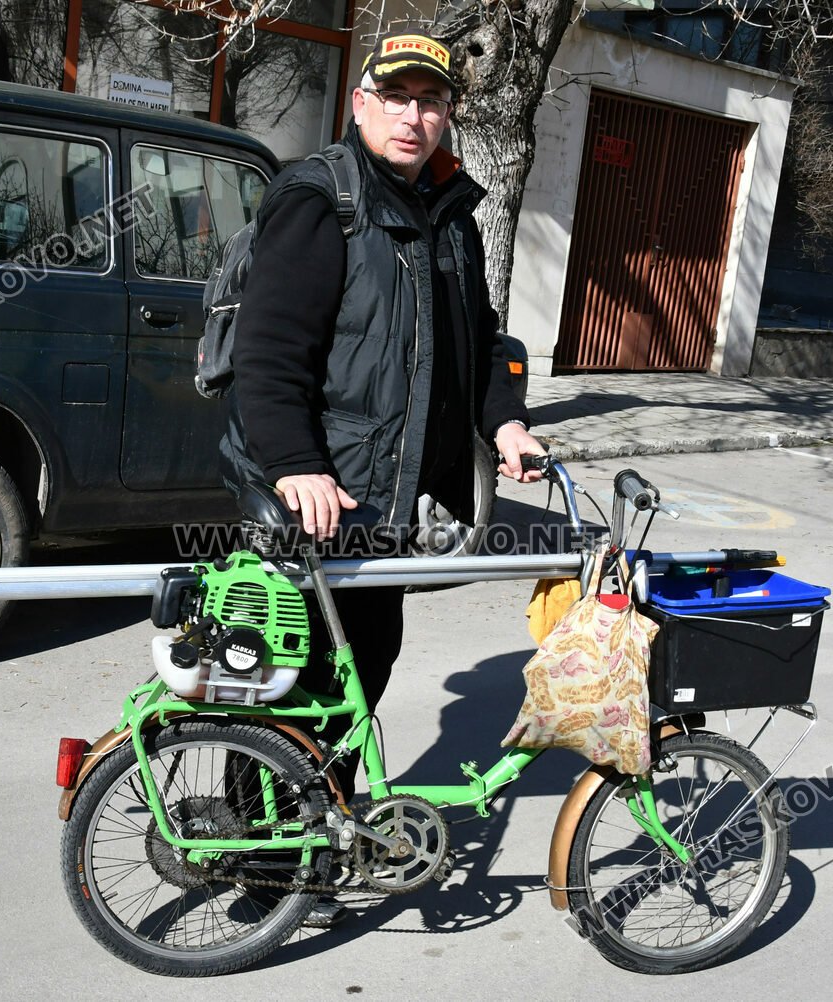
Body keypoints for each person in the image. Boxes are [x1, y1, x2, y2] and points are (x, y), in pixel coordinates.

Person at [219, 30, 546, 924]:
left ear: (449, 114)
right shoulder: (322, 200)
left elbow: (475, 343)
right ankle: (261, 866)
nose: (414, 115)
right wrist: (297, 468)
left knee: (361, 670)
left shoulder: (451, 213)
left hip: (384, 501)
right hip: (318, 492)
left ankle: (317, 825)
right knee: (293, 677)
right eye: (396, 96)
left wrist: (503, 421)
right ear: (360, 102)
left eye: (431, 100)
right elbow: (270, 351)